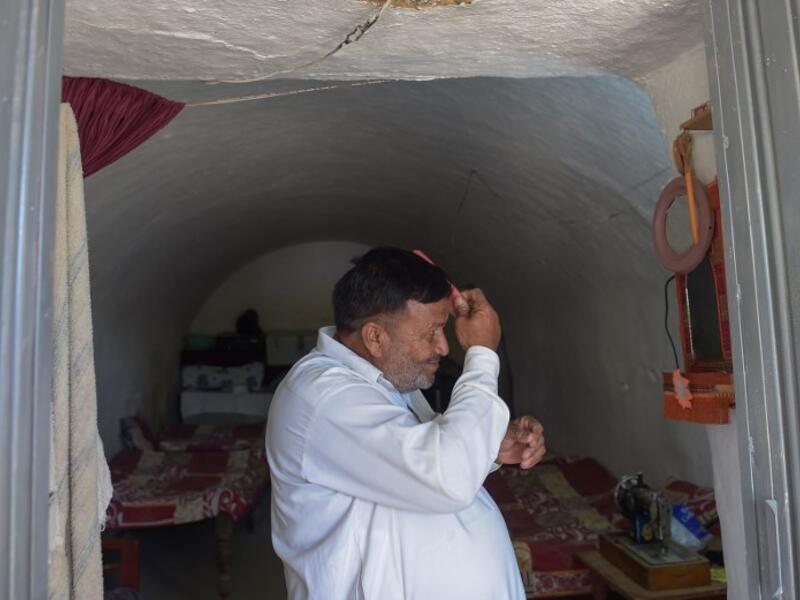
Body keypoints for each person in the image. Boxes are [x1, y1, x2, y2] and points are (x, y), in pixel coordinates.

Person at [266, 247, 546, 599]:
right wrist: (482, 356)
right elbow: (447, 476)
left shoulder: (380, 378)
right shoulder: (323, 397)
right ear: (375, 337)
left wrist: (489, 446)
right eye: (432, 332)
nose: (443, 347)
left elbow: (415, 457)